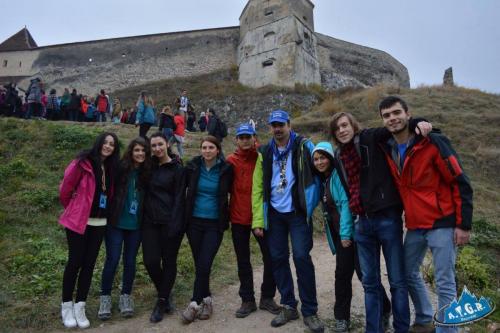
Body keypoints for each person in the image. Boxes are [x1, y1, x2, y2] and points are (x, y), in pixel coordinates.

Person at [329, 111, 433, 333]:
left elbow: (394, 127)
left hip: (387, 218)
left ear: (353, 125)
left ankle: (401, 328)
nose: (342, 130)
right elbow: (348, 189)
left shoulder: (368, 138)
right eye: (337, 128)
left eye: (345, 125)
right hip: (362, 223)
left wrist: (417, 122)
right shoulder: (338, 156)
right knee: (370, 284)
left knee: (397, 281)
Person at [378, 96, 473, 333]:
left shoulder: (433, 142)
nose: (393, 118)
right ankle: (424, 319)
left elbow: (460, 182)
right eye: (387, 115)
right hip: (415, 225)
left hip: (442, 223)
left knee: (444, 283)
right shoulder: (387, 147)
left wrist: (464, 225)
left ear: (408, 114)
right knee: (406, 274)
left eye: (397, 112)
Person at [252, 110, 324, 333]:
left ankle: (310, 310)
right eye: (273, 125)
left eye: (281, 124)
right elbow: (257, 188)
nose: (277, 128)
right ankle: (289, 305)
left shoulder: (304, 146)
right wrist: (258, 219)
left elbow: (319, 172)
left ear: (289, 125)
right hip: (273, 214)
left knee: (302, 257)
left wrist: (311, 205)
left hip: (297, 213)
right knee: (278, 258)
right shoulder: (264, 151)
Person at [312, 141, 392, 332]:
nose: (319, 162)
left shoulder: (337, 177)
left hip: (352, 233)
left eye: (323, 157)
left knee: (364, 275)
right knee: (342, 275)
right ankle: (341, 318)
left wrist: (346, 234)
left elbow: (346, 205)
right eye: (316, 159)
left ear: (330, 158)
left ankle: (384, 310)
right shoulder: (324, 180)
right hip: (343, 236)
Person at [58, 132, 120, 329]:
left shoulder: (110, 168)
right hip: (79, 223)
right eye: (105, 142)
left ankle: (80, 306)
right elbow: (65, 191)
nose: (108, 146)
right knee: (74, 262)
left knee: (89, 265)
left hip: (100, 223)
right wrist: (76, 209)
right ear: (99, 143)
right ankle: (66, 306)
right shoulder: (82, 162)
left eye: (112, 144)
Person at [226, 123, 280, 318]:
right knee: (243, 260)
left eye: (248, 136)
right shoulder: (230, 161)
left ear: (254, 138)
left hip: (262, 217)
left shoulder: (263, 157)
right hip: (238, 217)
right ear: (236, 140)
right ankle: (247, 300)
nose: (245, 140)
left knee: (271, 257)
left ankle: (267, 297)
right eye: (241, 137)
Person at [98, 137, 151, 320]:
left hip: (135, 225)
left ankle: (125, 296)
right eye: (137, 150)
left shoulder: (147, 172)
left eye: (143, 151)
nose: (140, 154)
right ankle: (105, 297)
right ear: (131, 151)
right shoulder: (121, 168)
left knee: (130, 262)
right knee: (112, 260)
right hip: (116, 223)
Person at [182, 136, 233, 324]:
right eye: (204, 147)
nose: (207, 150)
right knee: (200, 264)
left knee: (204, 263)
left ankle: (194, 303)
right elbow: (181, 188)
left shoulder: (226, 169)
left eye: (211, 147)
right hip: (194, 222)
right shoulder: (193, 167)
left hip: (214, 223)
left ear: (218, 150)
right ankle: (207, 299)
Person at [141, 132, 186, 323]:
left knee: (169, 262)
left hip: (170, 222)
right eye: (154, 146)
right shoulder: (148, 166)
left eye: (160, 144)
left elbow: (179, 198)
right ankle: (165, 293)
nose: (157, 149)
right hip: (150, 222)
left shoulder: (177, 168)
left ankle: (161, 302)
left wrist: (175, 224)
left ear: (167, 144)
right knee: (150, 261)